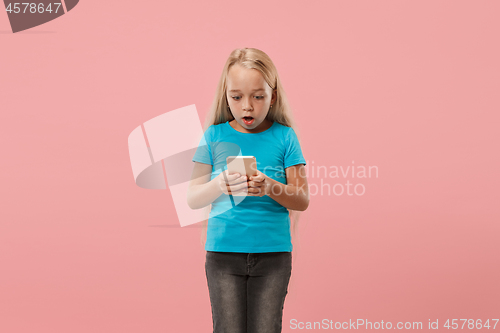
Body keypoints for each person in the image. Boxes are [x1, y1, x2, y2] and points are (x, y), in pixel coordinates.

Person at [187, 47, 309, 333]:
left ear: (273, 96)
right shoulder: (214, 135)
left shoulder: (285, 136)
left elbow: (302, 200)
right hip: (222, 255)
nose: (247, 107)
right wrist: (220, 184)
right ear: (226, 95)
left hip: (274, 256)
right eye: (237, 97)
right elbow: (192, 199)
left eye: (258, 96)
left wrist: (269, 186)